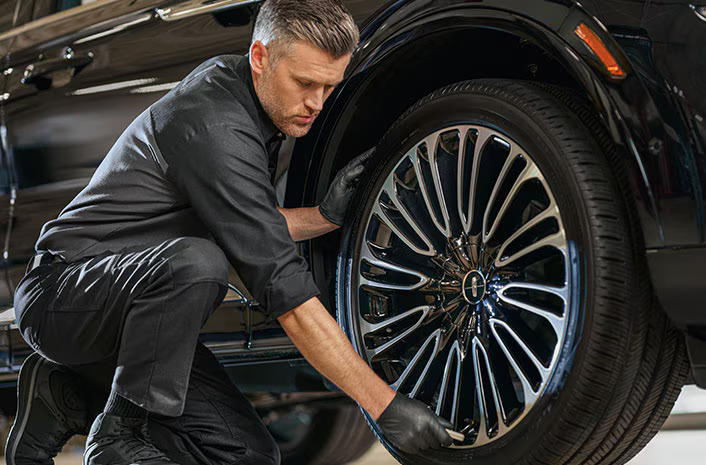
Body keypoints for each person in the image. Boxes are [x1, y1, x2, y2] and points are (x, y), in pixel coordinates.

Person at [6, 1, 454, 464]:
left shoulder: (251, 100)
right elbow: (285, 292)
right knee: (200, 265)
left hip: (142, 315)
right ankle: (118, 435)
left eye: (328, 86)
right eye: (304, 83)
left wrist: (322, 216)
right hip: (63, 297)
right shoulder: (213, 122)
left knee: (251, 456)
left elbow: (246, 225)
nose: (316, 104)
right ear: (260, 57)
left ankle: (67, 393)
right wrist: (381, 404)